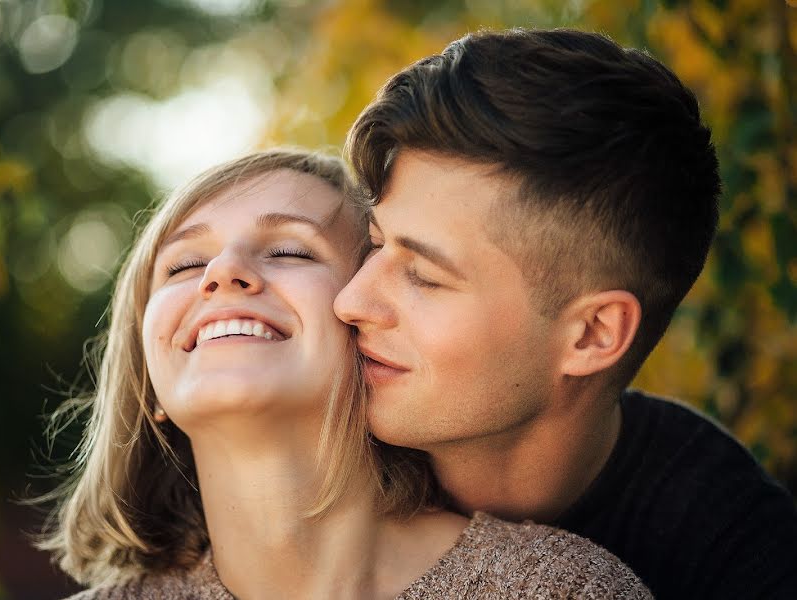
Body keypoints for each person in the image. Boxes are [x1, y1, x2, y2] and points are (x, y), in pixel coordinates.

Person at [37, 149, 651, 599]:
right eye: (183, 264)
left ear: (372, 326)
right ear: (149, 383)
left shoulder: (558, 590)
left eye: (290, 251)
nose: (221, 273)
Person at [334, 28, 797, 600]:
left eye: (425, 277)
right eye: (377, 245)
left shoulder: (733, 548)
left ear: (592, 334)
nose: (350, 301)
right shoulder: (305, 436)